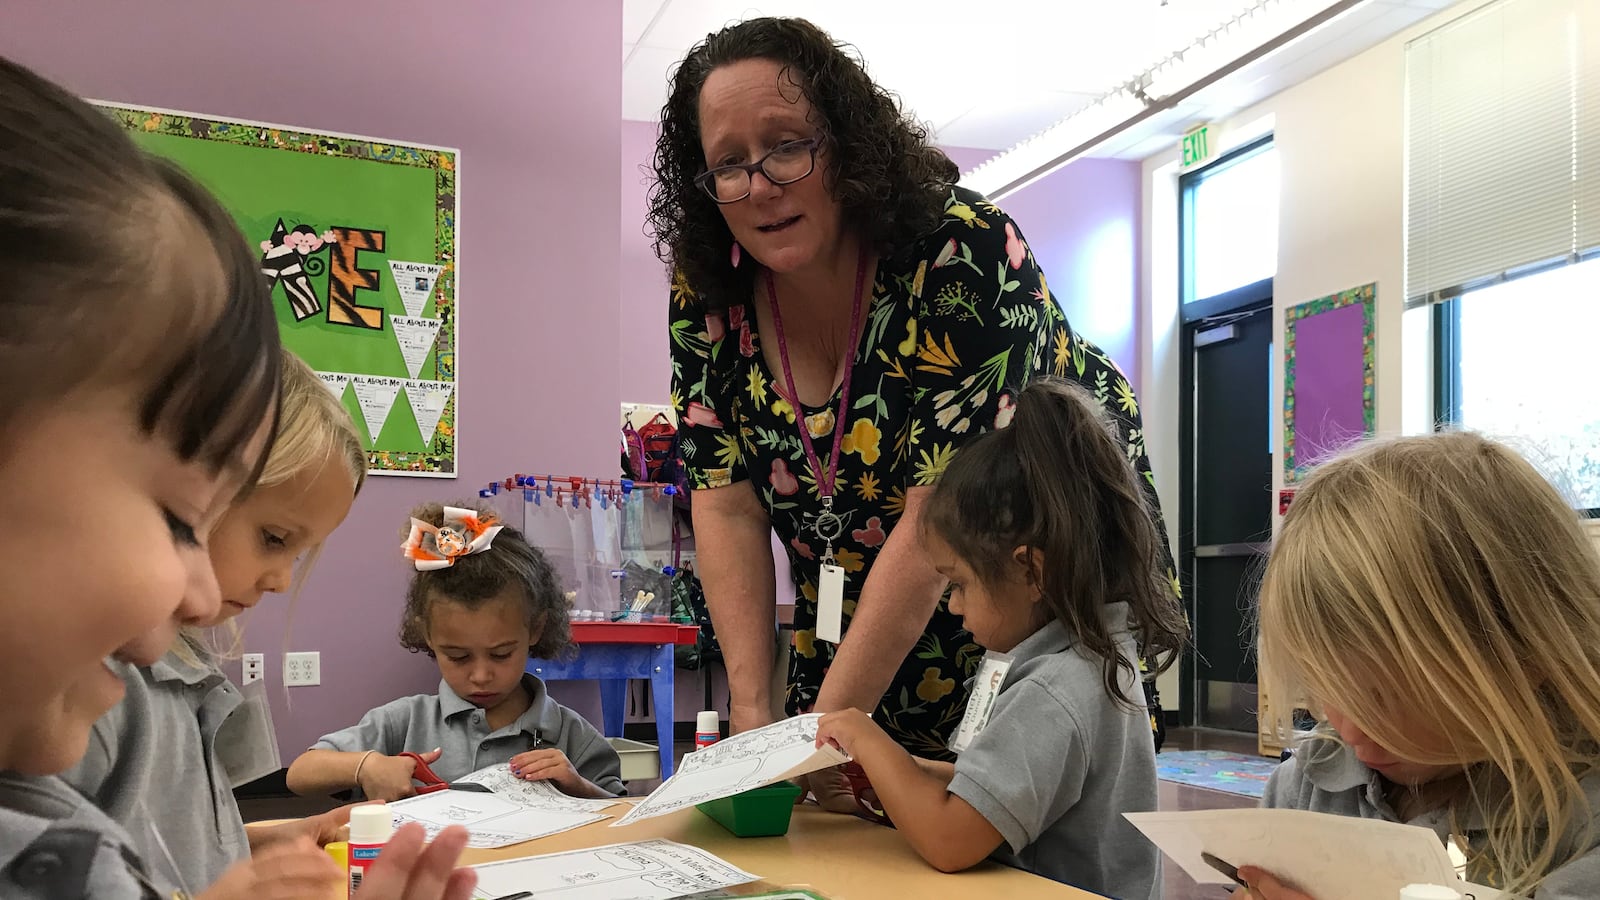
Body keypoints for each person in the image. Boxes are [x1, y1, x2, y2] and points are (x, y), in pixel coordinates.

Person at [653, 16, 1179, 806]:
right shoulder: (709, 297)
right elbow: (725, 505)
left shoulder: (962, 252)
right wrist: (755, 724)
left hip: (1025, 592)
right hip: (862, 598)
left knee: (1000, 818)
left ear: (847, 147)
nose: (759, 185)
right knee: (845, 809)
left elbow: (937, 518)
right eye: (729, 164)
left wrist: (815, 736)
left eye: (787, 146)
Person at [0, 55, 474, 900]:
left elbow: (159, 846)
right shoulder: (91, 713)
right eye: (184, 517)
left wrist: (265, 845)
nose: (192, 594)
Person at [813, 379, 1185, 899]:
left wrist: (867, 738)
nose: (954, 604)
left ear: (1030, 572)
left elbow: (951, 839)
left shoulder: (1054, 689)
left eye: (960, 583)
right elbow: (1000, 795)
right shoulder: (1091, 657)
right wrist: (900, 771)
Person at [1242, 433, 1600, 899]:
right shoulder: (1309, 787)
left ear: (1525, 655)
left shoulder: (1580, 826)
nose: (1349, 732)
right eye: (1327, 687)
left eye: (1380, 696)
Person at [61, 349, 365, 891]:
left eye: (297, 555)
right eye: (274, 539)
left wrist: (264, 844)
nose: (280, 580)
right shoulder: (91, 691)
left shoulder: (187, 665)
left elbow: (165, 850)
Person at [287, 502, 624, 801]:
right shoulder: (404, 722)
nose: (480, 675)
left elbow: (620, 813)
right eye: (459, 657)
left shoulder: (570, 734)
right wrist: (367, 766)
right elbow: (300, 773)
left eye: (501, 654)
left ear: (535, 629)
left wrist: (578, 788)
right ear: (428, 636)